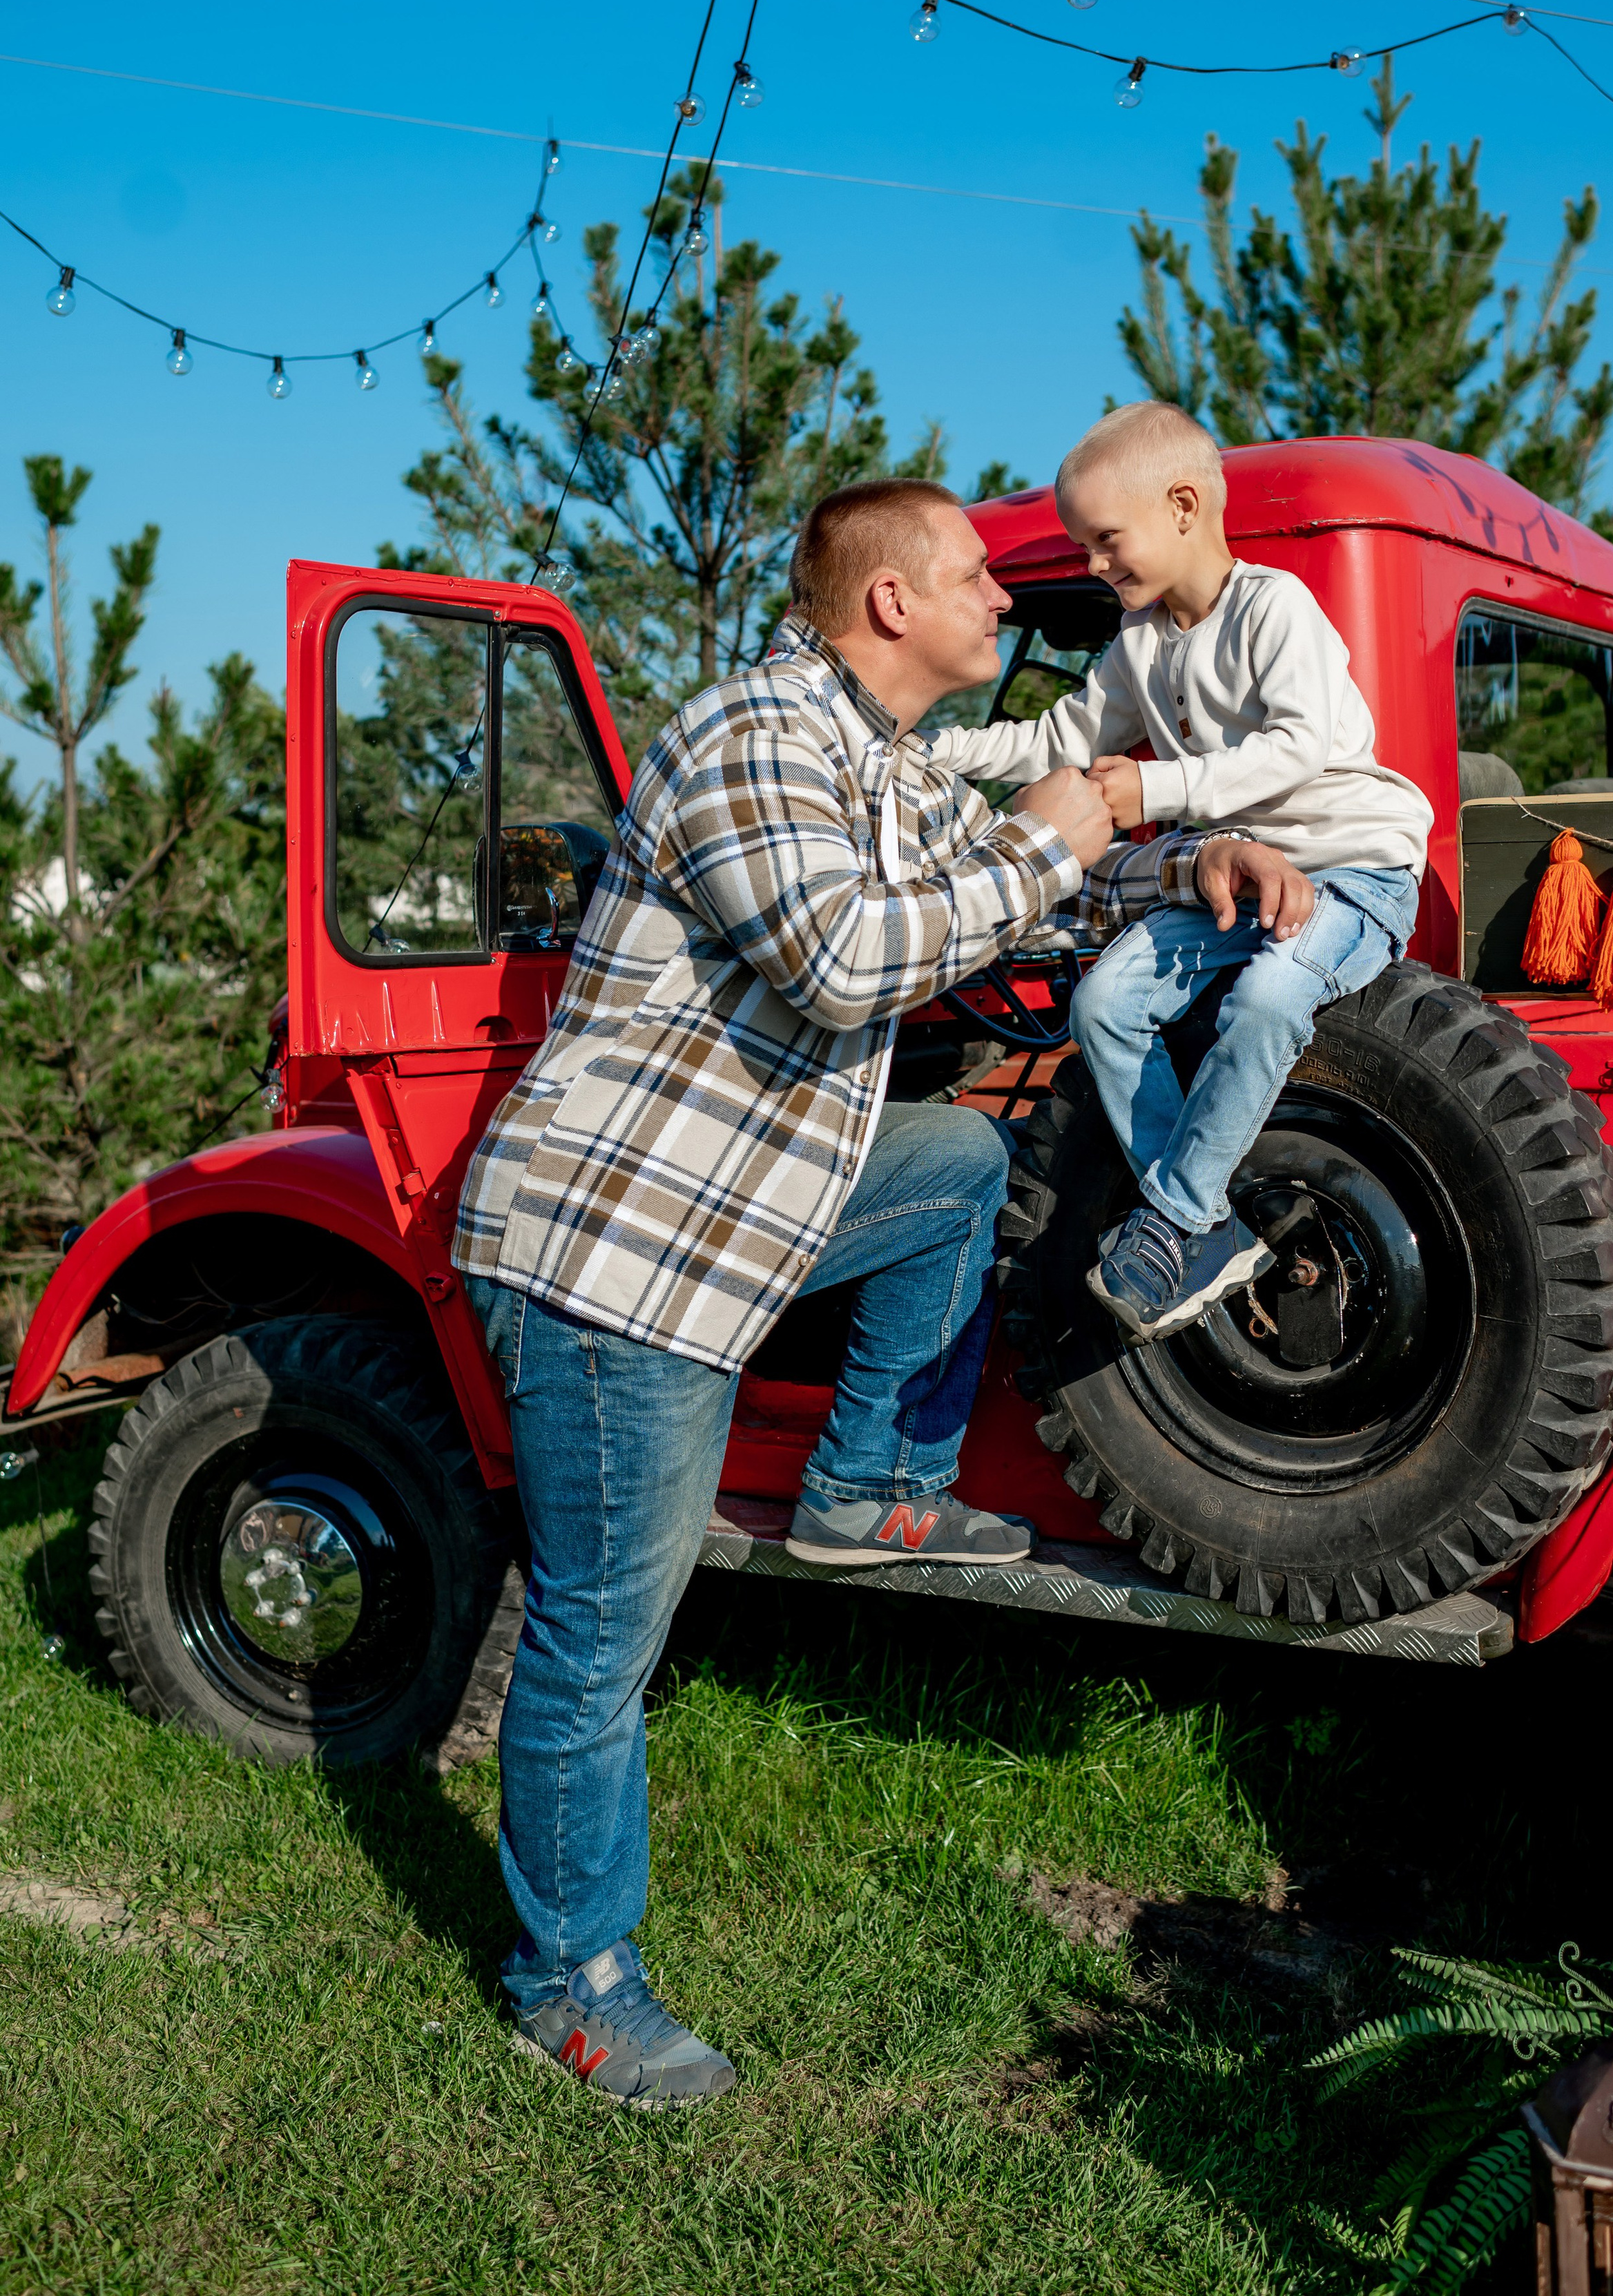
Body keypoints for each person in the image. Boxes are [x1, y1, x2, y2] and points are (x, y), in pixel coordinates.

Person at [452, 474, 1188, 2106]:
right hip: (621, 1257)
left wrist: (1204, 872)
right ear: (887, 605)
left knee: (955, 1167)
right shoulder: (747, 737)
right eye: (979, 578)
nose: (1006, 601)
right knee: (599, 1643)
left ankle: (867, 1485)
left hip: (744, 1210)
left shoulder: (876, 763)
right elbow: (852, 955)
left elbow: (1013, 880)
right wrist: (1050, 840)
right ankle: (567, 1973)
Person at [928, 400, 1433, 1343]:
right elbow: (1059, 739)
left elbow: (1299, 747)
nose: (1092, 566)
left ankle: (1174, 1221)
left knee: (1267, 1001)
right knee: (1105, 1003)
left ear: (1187, 506)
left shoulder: (1273, 608)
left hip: (1350, 869)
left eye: (1106, 541)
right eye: (1082, 549)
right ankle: (1203, 1217)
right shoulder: (1143, 644)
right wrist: (941, 755)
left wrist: (1159, 782)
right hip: (1238, 882)